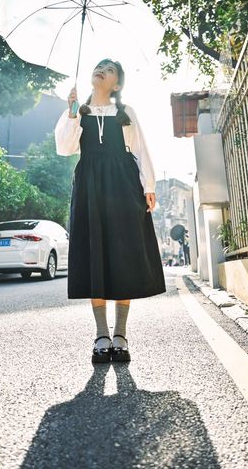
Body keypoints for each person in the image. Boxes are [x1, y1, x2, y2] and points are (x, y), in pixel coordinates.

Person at [55, 58, 166, 364]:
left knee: (123, 254)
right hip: (89, 186)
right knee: (95, 254)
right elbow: (64, 148)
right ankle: (101, 334)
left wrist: (149, 186)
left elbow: (140, 149)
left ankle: (121, 335)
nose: (101, 69)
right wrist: (71, 111)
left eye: (110, 69)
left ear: (116, 84)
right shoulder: (79, 111)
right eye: (99, 66)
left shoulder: (125, 112)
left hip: (123, 184)